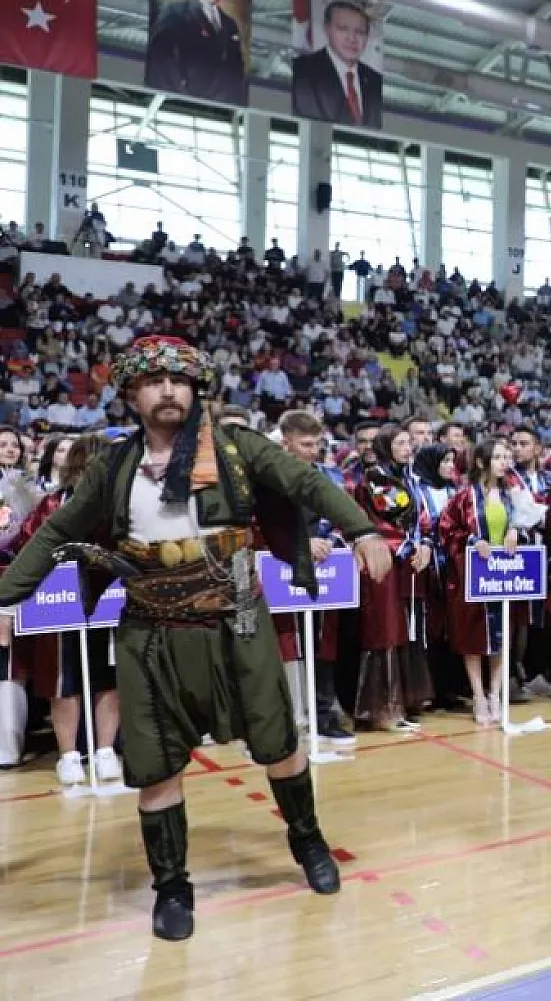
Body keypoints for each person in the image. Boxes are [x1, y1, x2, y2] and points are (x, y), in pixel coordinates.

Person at [0, 336, 393, 942]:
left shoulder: (237, 449)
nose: (167, 390)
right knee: (155, 767)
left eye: (178, 381)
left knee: (279, 742)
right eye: (153, 382)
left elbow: (307, 484)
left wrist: (362, 529)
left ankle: (308, 841)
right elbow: (56, 531)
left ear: (194, 390)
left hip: (235, 621)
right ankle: (172, 887)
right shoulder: (114, 466)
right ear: (132, 395)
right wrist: (5, 594)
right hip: (149, 632)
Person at [144, 0, 247, 106]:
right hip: (183, 92)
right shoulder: (176, 12)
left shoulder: (230, 24)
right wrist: (177, 88)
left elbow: (236, 66)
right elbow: (159, 53)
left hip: (219, 99)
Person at [291, 0, 384, 129]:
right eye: (343, 28)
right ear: (327, 29)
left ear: (367, 37)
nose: (352, 38)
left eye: (360, 32)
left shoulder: (376, 82)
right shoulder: (301, 71)